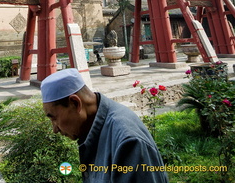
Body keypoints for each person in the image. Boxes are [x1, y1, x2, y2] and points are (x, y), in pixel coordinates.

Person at [41, 68, 169, 182]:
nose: (55, 129)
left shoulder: (128, 142)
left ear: (75, 103)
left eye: (54, 118)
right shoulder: (93, 128)